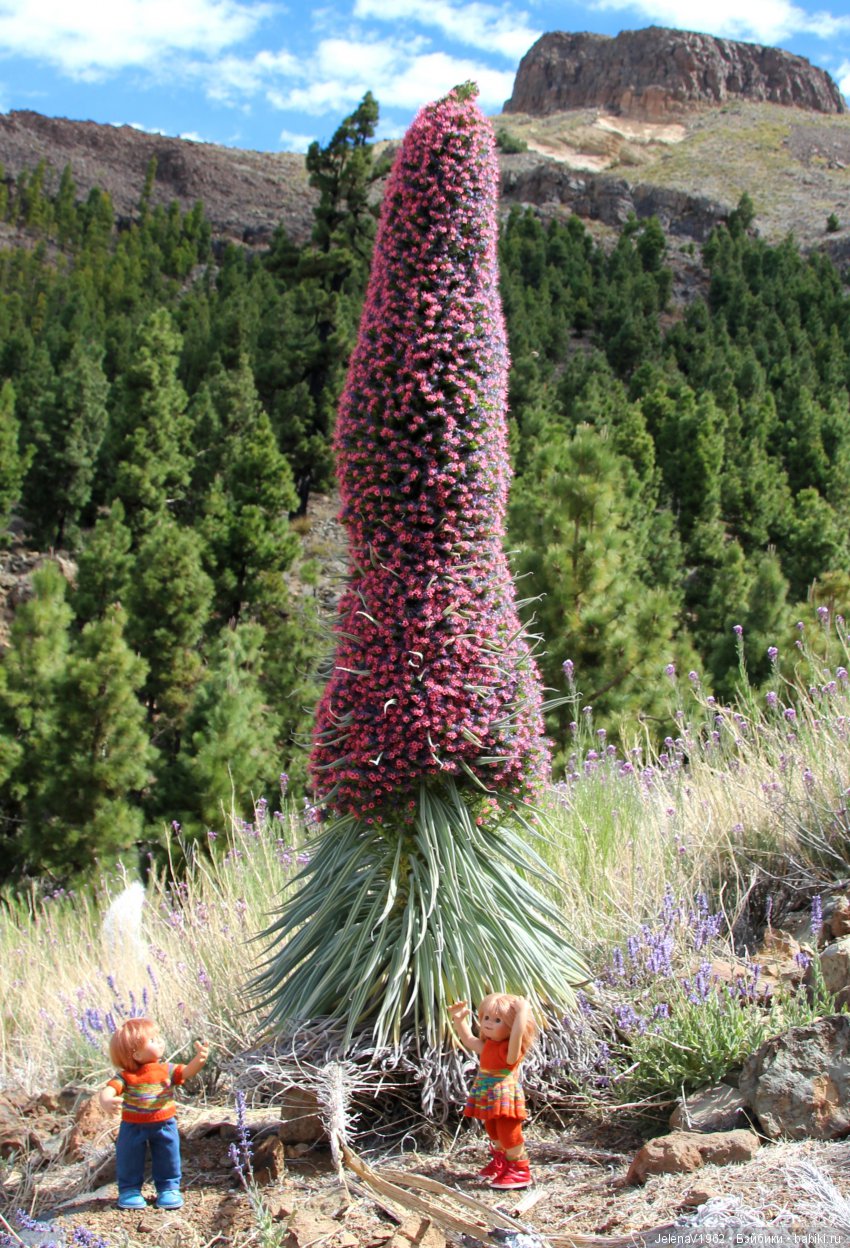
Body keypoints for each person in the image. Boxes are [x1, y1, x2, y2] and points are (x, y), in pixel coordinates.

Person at [99, 1016, 209, 1210]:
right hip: (133, 1125)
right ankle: (129, 1190)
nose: (159, 1041)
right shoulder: (127, 1076)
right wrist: (105, 1099)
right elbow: (111, 1088)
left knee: (168, 1155)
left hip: (164, 1123)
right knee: (129, 1157)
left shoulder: (165, 1069)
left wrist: (199, 1060)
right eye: (152, 1040)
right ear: (136, 1055)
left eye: (158, 1037)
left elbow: (185, 1072)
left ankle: (168, 1188)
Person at [448, 993, 537, 1190]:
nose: (488, 1023)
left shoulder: (510, 1050)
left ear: (511, 1025)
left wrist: (522, 1013)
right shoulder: (489, 1045)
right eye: (486, 1018)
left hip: (504, 1093)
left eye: (498, 1020)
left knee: (508, 1131)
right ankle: (502, 1161)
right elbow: (470, 1040)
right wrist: (459, 1019)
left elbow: (517, 1037)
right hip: (489, 1093)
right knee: (493, 1129)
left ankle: (519, 1168)